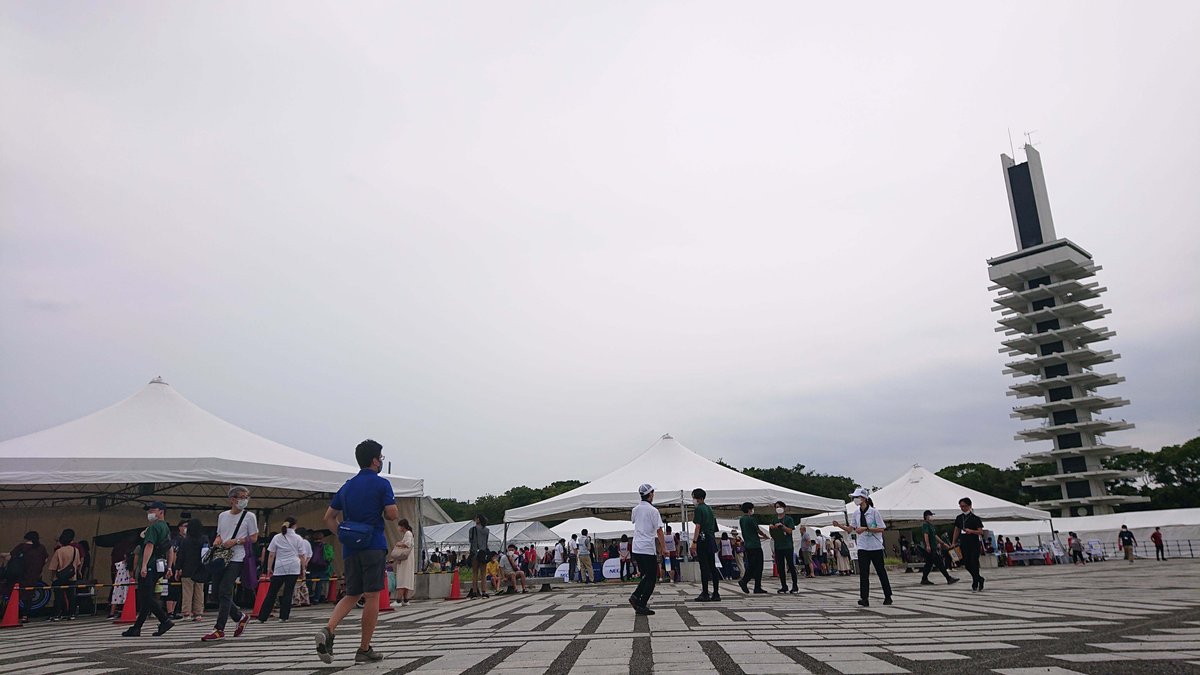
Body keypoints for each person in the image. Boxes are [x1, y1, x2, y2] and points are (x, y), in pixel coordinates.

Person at [315, 439, 398, 665]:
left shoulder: (347, 485)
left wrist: (341, 533)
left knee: (352, 593)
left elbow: (328, 517)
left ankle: (329, 628)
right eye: (380, 458)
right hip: (372, 545)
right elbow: (391, 514)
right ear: (374, 460)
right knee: (372, 595)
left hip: (351, 548)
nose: (381, 461)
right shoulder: (382, 484)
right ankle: (364, 649)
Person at [202, 486, 259, 641]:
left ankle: (219, 628)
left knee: (225, 590)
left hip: (238, 557)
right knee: (217, 593)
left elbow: (254, 537)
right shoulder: (223, 516)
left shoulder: (249, 517)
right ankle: (240, 616)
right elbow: (220, 534)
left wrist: (237, 540)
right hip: (221, 557)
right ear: (233, 499)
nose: (245, 500)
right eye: (242, 497)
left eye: (247, 497)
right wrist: (217, 540)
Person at [122, 501, 175, 637]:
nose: (149, 513)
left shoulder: (153, 528)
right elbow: (170, 549)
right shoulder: (166, 528)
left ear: (161, 511)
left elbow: (149, 546)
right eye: (149, 511)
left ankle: (164, 620)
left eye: (153, 510)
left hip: (150, 565)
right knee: (147, 597)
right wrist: (169, 566)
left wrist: (144, 565)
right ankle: (137, 627)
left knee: (145, 596)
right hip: (160, 565)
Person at [834, 488, 892, 608]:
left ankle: (888, 595)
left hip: (875, 547)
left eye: (857, 497)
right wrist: (839, 525)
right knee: (863, 574)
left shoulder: (874, 512)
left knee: (881, 571)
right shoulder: (856, 513)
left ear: (864, 498)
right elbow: (851, 529)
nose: (855, 499)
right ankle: (864, 598)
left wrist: (866, 528)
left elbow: (881, 528)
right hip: (863, 546)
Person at [258, 516, 307, 623]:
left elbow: (271, 554)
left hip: (280, 567)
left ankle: (263, 616)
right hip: (293, 566)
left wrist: (269, 568)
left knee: (272, 592)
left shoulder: (277, 537)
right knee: (288, 592)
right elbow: (302, 556)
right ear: (294, 526)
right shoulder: (298, 538)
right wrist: (303, 570)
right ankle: (283, 616)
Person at [629, 483, 667, 615]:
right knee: (651, 577)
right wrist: (664, 548)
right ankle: (640, 600)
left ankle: (638, 600)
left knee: (645, 575)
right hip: (647, 547)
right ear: (650, 495)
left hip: (636, 547)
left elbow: (634, 521)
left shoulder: (635, 509)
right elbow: (659, 530)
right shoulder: (653, 511)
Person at [689, 487, 720, 602]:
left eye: (694, 498)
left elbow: (698, 526)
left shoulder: (699, 509)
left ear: (699, 498)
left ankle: (705, 593)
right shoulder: (709, 508)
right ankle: (716, 593)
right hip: (711, 538)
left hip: (702, 539)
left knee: (704, 567)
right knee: (713, 566)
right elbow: (715, 527)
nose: (693, 500)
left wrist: (694, 542)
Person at [951, 497, 986, 591]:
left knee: (973, 562)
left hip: (974, 543)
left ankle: (975, 581)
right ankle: (979, 578)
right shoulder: (959, 518)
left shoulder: (975, 518)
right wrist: (953, 542)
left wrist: (971, 531)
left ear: (969, 506)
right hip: (964, 543)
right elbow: (956, 530)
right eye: (961, 506)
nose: (962, 508)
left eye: (964, 506)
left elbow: (980, 532)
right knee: (966, 564)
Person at [47, 529, 82, 622]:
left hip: (60, 577)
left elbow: (53, 566)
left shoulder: (59, 551)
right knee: (71, 596)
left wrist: (52, 578)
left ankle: (57, 614)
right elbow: (78, 563)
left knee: (59, 596)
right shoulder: (76, 550)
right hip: (72, 576)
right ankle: (72, 614)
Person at [917, 510, 958, 586]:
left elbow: (935, 536)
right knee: (939, 563)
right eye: (930, 515)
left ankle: (924, 579)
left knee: (929, 564)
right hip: (931, 548)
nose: (932, 517)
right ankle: (948, 578)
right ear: (926, 516)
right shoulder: (925, 525)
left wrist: (943, 543)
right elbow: (926, 535)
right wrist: (928, 545)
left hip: (933, 547)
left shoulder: (931, 526)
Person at [737, 502, 769, 594]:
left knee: (751, 565)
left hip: (748, 545)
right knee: (758, 566)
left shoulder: (742, 520)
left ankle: (749, 583)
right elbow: (757, 530)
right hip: (755, 546)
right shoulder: (751, 519)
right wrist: (765, 535)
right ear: (749, 509)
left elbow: (750, 533)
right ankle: (750, 583)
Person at [178, 517, 206, 622]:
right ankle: (198, 613)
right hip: (200, 568)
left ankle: (186, 613)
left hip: (187, 568)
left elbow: (181, 555)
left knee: (187, 592)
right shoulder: (204, 539)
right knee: (199, 591)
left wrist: (178, 568)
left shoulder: (186, 540)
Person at [769, 502, 798, 594]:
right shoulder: (774, 519)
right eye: (777, 507)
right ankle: (783, 586)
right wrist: (772, 528)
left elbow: (790, 531)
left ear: (784, 508)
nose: (778, 508)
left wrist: (782, 527)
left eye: (780, 507)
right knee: (780, 567)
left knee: (791, 565)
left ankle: (795, 585)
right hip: (778, 546)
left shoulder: (788, 519)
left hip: (788, 546)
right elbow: (772, 534)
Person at [392, 519, 415, 605]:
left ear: (402, 526)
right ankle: (405, 599)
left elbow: (408, 544)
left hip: (405, 560)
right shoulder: (409, 533)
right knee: (406, 579)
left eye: (399, 526)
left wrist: (399, 544)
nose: (398, 528)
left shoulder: (408, 533)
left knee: (402, 578)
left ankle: (398, 600)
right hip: (408, 559)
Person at [468, 515, 491, 599]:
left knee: (474, 573)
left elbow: (471, 541)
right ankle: (484, 591)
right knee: (483, 573)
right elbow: (486, 542)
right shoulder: (487, 530)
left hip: (475, 553)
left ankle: (474, 592)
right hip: (483, 552)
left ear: (478, 520)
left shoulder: (472, 529)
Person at [308, 531, 332, 603]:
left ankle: (309, 595)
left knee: (309, 582)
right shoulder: (325, 545)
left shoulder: (310, 545)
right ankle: (317, 598)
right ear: (322, 538)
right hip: (322, 566)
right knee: (320, 583)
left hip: (312, 566)